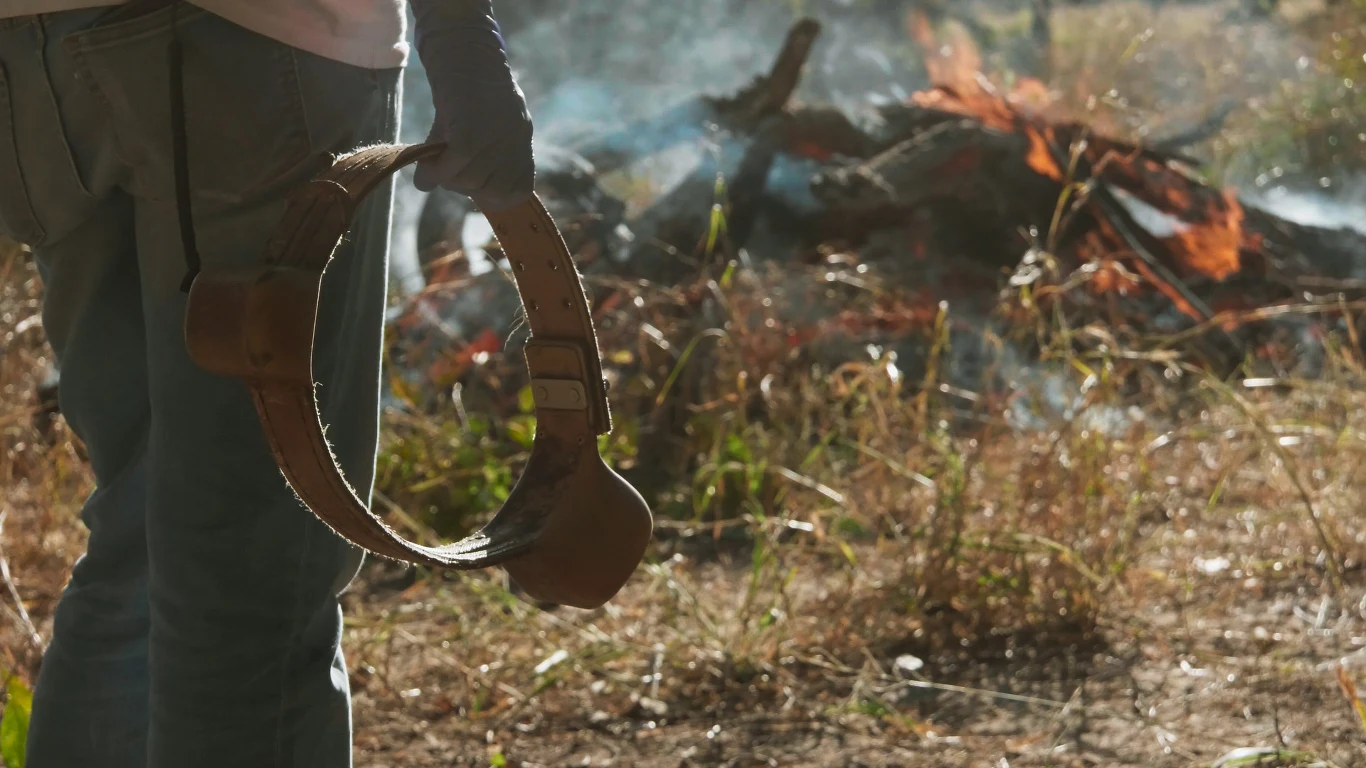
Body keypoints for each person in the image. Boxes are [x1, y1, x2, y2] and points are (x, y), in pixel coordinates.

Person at [0, 0, 535, 765]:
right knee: (259, 560)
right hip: (258, 42)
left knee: (139, 540)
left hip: (33, 55)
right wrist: (463, 36)